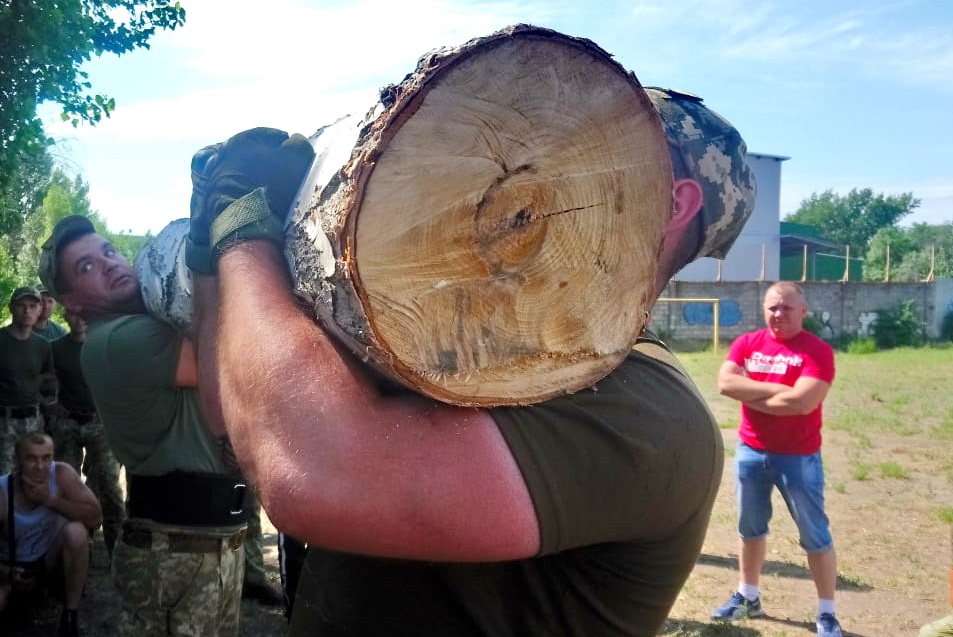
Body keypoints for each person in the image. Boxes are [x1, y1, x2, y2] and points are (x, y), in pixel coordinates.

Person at [183, 87, 755, 635]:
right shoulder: (452, 327)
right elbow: (234, 412)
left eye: (605, 138)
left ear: (674, 199)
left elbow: (315, 478)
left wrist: (241, 230)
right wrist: (211, 252)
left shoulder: (646, 412)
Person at [37, 216, 249, 637]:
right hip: (175, 552)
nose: (109, 263)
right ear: (70, 303)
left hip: (213, 541)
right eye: (86, 267)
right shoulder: (116, 339)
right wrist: (209, 255)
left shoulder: (154, 323)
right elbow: (228, 359)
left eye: (109, 252)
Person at [711, 281, 842, 637]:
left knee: (814, 535)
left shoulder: (817, 351)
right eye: (772, 307)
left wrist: (750, 391)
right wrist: (780, 390)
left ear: (803, 310)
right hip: (750, 452)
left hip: (798, 458)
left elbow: (802, 403)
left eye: (786, 307)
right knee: (749, 529)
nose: (778, 314)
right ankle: (748, 596)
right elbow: (725, 384)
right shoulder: (747, 343)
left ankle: (827, 613)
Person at [0, 432, 102, 637]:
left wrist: (50, 500)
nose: (40, 466)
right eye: (31, 458)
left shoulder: (62, 475)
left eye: (46, 458)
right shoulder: (2, 492)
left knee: (76, 532)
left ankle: (70, 615)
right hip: (10, 566)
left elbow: (95, 518)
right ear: (18, 460)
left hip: (48, 562)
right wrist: (6, 572)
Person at [48, 311, 125, 557]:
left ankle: (117, 550)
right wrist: (51, 402)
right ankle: (70, 548)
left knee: (109, 488)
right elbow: (41, 379)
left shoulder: (106, 343)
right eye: (73, 314)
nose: (79, 319)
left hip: (99, 425)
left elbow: (121, 380)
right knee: (62, 486)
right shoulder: (54, 348)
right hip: (68, 424)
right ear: (66, 317)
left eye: (84, 315)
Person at [0, 287, 55, 475]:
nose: (27, 311)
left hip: (34, 420)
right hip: (4, 421)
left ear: (39, 310)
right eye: (21, 306)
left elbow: (48, 379)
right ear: (11, 308)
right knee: (4, 478)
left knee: (33, 476)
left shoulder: (42, 346)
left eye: (33, 306)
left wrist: (46, 400)